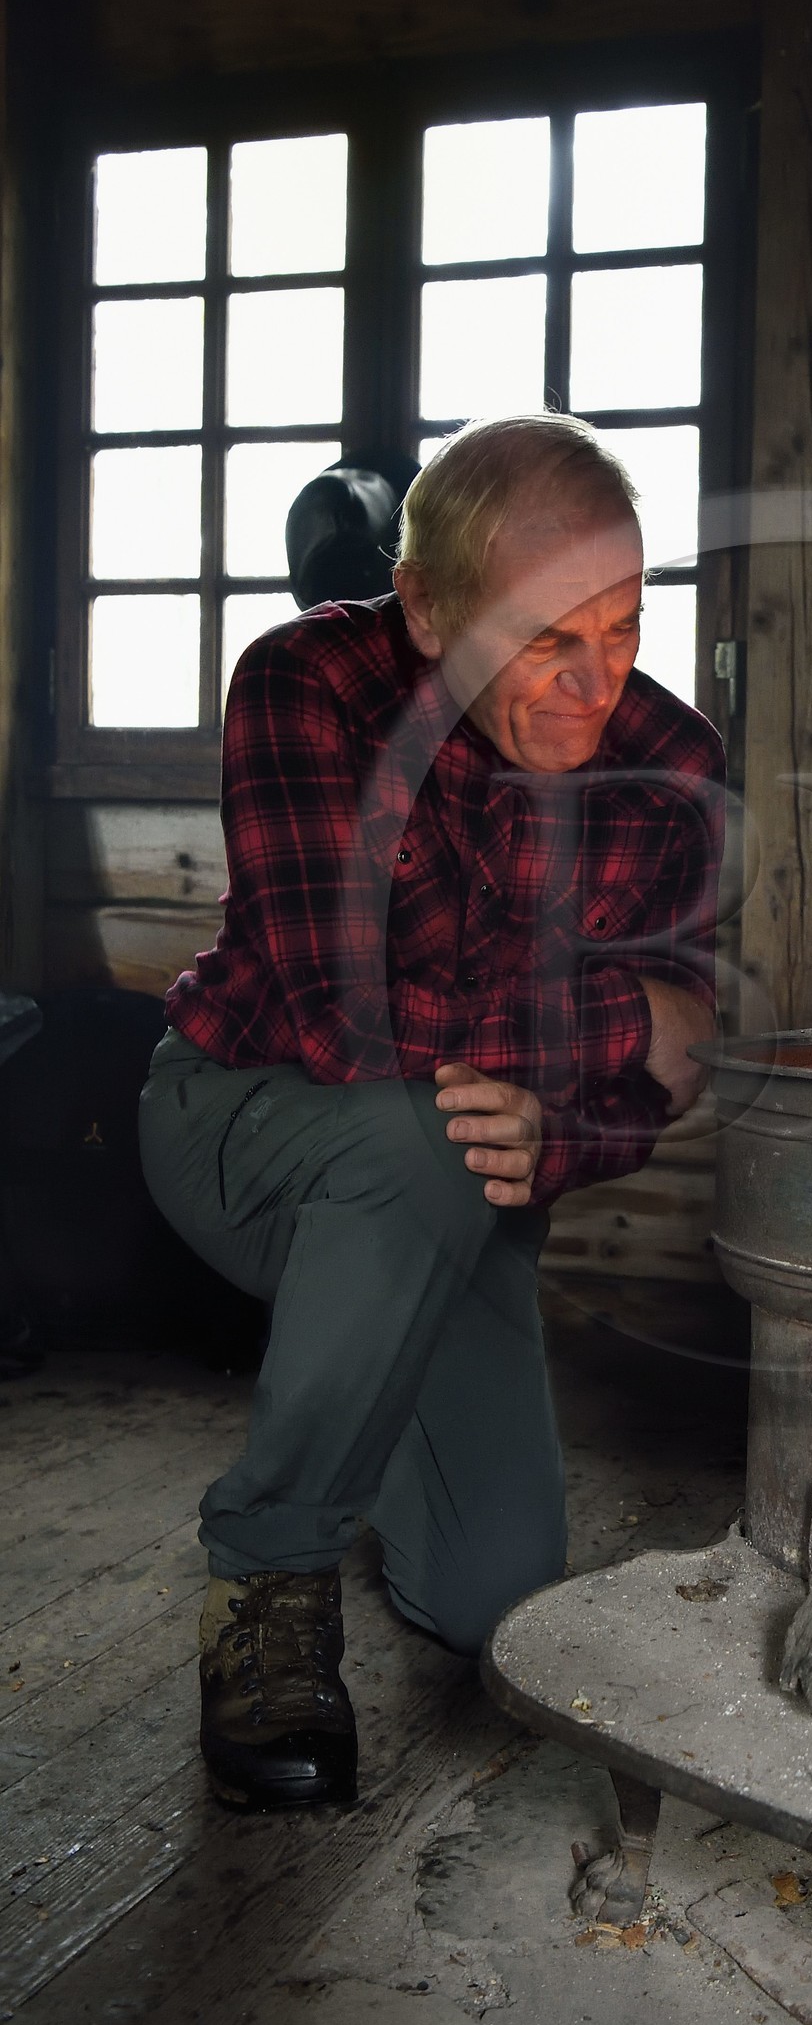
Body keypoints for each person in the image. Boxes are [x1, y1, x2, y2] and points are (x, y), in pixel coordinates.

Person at [139, 414, 722, 1811]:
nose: (595, 687)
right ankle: (268, 1578)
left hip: (464, 1179)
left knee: (494, 1598)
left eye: (623, 627)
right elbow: (349, 1016)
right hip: (241, 1113)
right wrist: (633, 1020)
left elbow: (659, 1096)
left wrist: (574, 1131)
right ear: (424, 607)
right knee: (410, 1124)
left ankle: (366, 1385)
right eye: (542, 640)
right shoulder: (303, 681)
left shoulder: (674, 769)